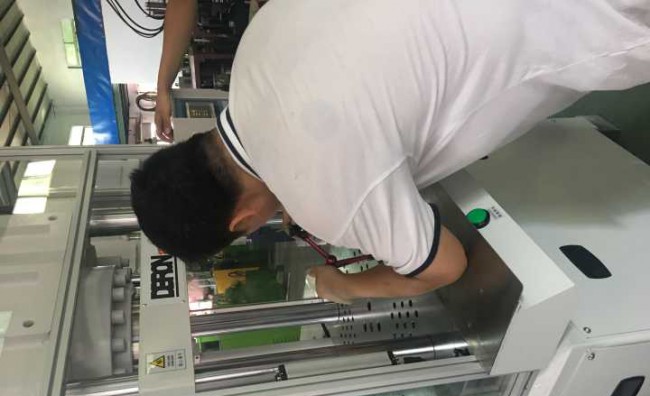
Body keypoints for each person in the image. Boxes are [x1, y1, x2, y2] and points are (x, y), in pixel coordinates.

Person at [132, 0, 650, 303]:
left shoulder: (326, 204)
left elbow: (445, 266)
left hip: (592, 19)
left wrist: (348, 286)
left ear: (242, 219)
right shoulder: (253, 48)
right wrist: (300, 188)